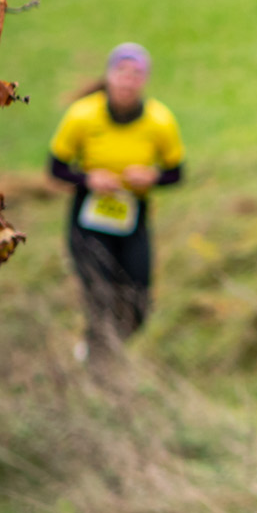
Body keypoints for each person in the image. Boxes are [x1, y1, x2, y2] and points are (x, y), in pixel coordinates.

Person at [48, 43, 184, 360]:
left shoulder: (160, 120)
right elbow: (55, 169)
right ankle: (99, 363)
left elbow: (176, 173)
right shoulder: (83, 115)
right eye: (121, 72)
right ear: (109, 76)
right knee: (101, 295)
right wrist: (88, 179)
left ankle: (105, 349)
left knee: (138, 302)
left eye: (136, 74)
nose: (128, 80)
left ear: (145, 80)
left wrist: (152, 177)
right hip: (89, 216)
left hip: (132, 215)